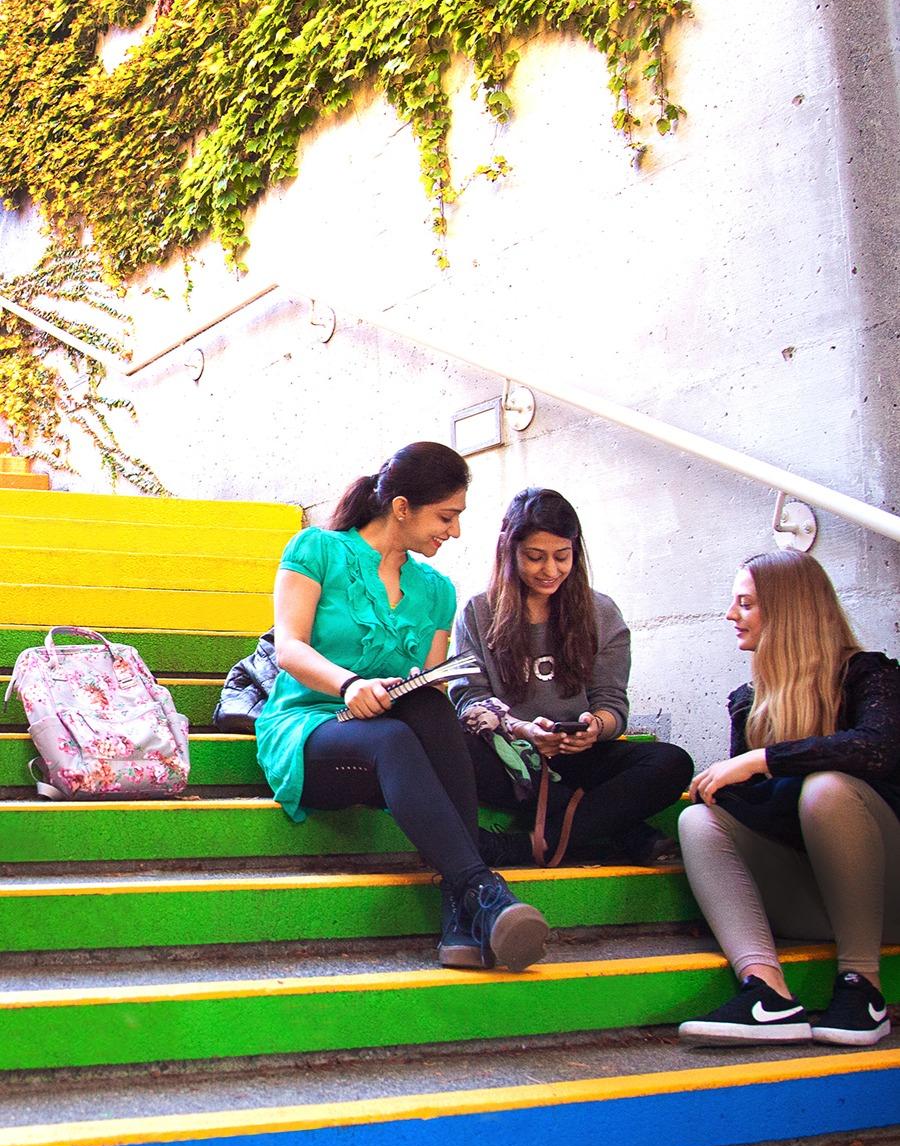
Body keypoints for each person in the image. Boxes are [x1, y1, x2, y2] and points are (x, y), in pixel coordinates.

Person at [255, 441, 549, 972]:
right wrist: (349, 686)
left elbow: (431, 690)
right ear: (401, 507)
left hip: (394, 744)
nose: (454, 531)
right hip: (310, 728)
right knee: (394, 739)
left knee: (432, 712)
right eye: (447, 516)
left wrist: (410, 686)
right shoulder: (316, 550)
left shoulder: (435, 589)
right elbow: (290, 647)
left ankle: (466, 909)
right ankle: (478, 892)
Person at [678, 550, 900, 1047]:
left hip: (888, 892)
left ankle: (863, 988)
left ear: (788, 611)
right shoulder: (749, 701)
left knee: (829, 789)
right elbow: (763, 815)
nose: (730, 615)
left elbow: (877, 751)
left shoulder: (869, 676)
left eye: (746, 603)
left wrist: (763, 760)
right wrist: (728, 789)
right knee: (699, 819)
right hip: (812, 900)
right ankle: (767, 993)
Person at [450, 487, 693, 868]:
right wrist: (525, 731)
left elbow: (612, 703)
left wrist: (594, 728)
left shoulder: (602, 612)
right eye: (535, 557)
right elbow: (468, 701)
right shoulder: (478, 611)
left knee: (672, 762)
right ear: (508, 552)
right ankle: (625, 833)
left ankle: (527, 846)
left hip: (580, 755)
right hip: (511, 756)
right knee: (453, 747)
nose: (550, 570)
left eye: (562, 557)